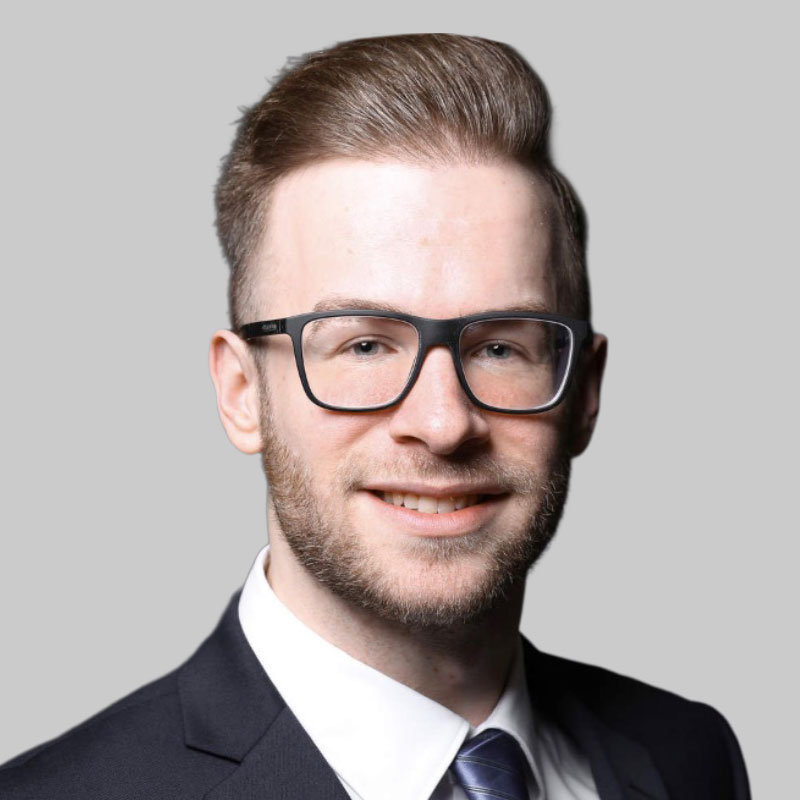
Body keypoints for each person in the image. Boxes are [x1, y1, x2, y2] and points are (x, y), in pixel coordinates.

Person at [0, 33, 750, 800]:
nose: (443, 423)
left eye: (500, 347)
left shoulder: (689, 757)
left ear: (584, 392)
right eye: (364, 345)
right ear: (241, 392)